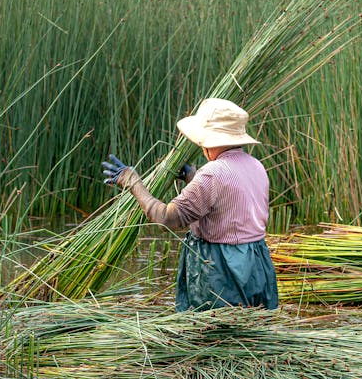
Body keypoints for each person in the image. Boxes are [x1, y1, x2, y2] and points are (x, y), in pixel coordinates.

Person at [101, 98, 279, 312]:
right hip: (256, 263)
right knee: (251, 330)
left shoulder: (212, 174)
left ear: (208, 141)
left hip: (223, 270)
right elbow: (225, 204)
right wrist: (193, 177)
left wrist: (133, 183)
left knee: (214, 335)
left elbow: (168, 218)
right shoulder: (256, 166)